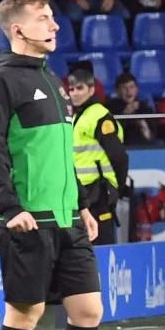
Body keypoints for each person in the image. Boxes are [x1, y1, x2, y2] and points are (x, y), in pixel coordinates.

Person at [0, 0, 137, 330]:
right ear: (18, 28)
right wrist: (9, 208)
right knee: (23, 314)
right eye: (45, 18)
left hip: (66, 218)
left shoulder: (50, 77)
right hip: (27, 219)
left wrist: (82, 205)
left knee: (88, 310)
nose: (55, 25)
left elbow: (61, 155)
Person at [67, 65, 129, 245]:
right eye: (71, 89)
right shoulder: (77, 116)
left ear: (91, 89)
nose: (74, 93)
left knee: (102, 245)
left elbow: (119, 157)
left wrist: (117, 187)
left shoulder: (99, 116)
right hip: (82, 191)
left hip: (99, 191)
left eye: (80, 88)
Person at [107, 72, 156, 146]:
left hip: (144, 148)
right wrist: (125, 114)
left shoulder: (145, 108)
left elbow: (153, 137)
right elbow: (109, 134)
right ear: (117, 91)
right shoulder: (109, 107)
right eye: (124, 88)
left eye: (131, 87)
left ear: (137, 89)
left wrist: (145, 129)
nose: (128, 91)